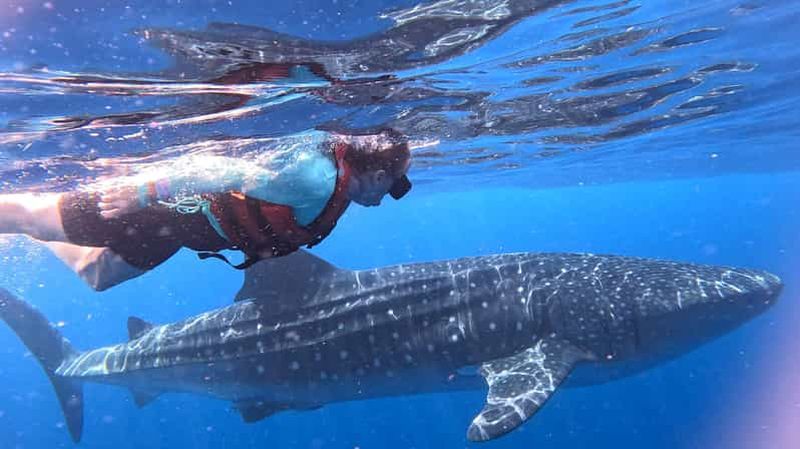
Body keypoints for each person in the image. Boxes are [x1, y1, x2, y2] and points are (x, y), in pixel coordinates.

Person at [0, 128, 412, 291]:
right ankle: (36, 225)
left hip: (178, 232)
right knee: (28, 216)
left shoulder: (336, 188)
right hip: (159, 208)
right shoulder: (315, 180)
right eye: (394, 190)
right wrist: (144, 192)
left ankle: (39, 232)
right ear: (377, 174)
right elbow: (226, 170)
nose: (385, 200)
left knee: (98, 276)